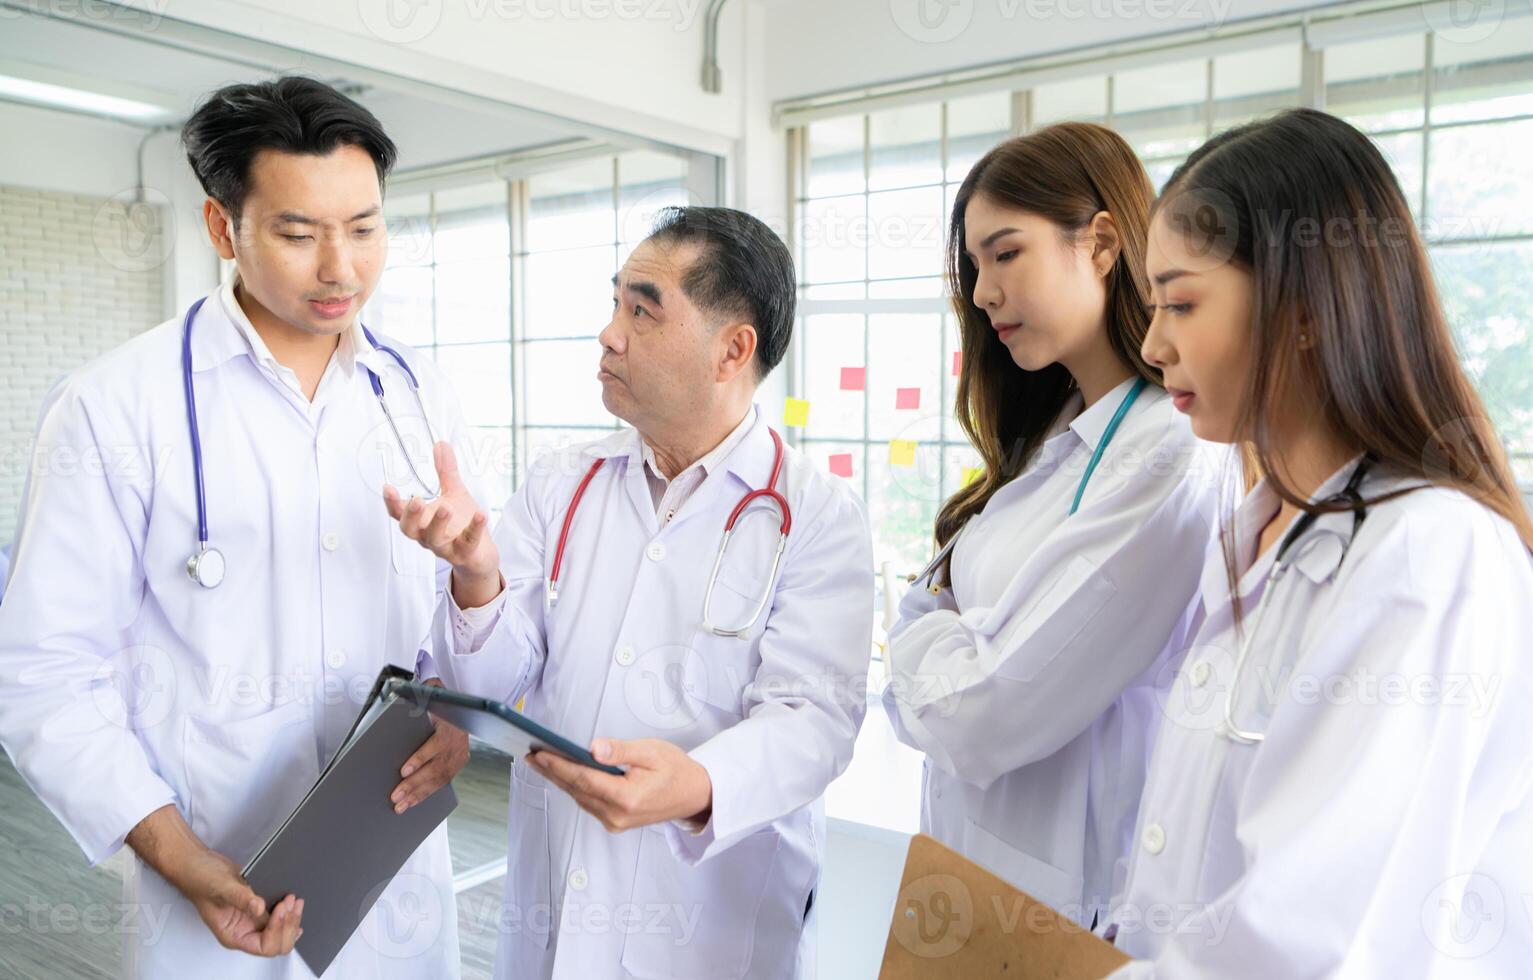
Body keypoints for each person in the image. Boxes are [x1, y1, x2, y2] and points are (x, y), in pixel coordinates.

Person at [0, 76, 470, 977]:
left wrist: (455, 711)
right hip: (214, 870)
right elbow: (42, 673)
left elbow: (462, 608)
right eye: (298, 233)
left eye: (365, 229)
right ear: (223, 227)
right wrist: (178, 856)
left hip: (396, 865)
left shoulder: (420, 394)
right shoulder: (115, 408)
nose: (341, 268)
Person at [388, 205, 874, 979]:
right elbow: (486, 687)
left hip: (708, 928)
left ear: (731, 350)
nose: (610, 333)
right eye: (615, 303)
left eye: (642, 311)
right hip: (554, 897)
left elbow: (812, 722)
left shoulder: (815, 516)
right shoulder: (564, 482)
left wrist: (699, 785)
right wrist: (476, 576)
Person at [1106, 107, 1533, 976]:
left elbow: (1312, 938)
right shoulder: (1257, 533)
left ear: (1302, 308)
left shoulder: (1425, 553)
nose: (1152, 344)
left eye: (1181, 302)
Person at [880, 123, 1222, 925]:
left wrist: (938, 636)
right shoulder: (1051, 440)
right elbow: (941, 652)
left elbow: (982, 717)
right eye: (973, 266)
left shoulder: (1165, 454)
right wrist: (953, 639)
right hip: (968, 867)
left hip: (1067, 899)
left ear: (1101, 243)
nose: (980, 292)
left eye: (1005, 254)